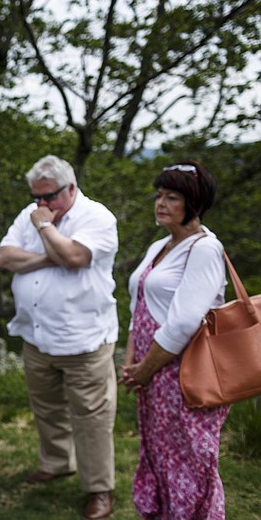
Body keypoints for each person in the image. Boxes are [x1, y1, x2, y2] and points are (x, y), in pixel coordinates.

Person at [0, 155, 118, 519]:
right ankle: (57, 462)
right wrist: (51, 255)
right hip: (37, 335)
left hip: (84, 340)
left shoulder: (97, 217)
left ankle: (99, 488)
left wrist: (47, 233)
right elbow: (5, 256)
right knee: (47, 407)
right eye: (36, 197)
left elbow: (76, 257)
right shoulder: (30, 213)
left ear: (70, 188)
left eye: (48, 196)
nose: (41, 205)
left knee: (91, 417)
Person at [120, 161, 228, 519]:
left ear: (194, 203)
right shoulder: (160, 246)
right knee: (161, 454)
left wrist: (146, 369)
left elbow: (183, 322)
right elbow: (139, 306)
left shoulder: (205, 249)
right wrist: (132, 359)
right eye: (159, 195)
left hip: (184, 374)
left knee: (190, 459)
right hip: (153, 373)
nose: (161, 203)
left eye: (172, 197)